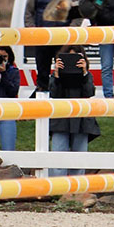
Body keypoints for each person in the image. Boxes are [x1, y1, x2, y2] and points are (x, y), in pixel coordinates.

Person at [47, 46, 100, 176]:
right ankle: (57, 191)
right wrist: (57, 74)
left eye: (76, 57)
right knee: (58, 156)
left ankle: (77, 190)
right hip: (60, 119)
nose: (73, 61)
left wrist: (84, 72)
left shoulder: (87, 75)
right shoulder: (55, 76)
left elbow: (89, 92)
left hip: (82, 120)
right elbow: (53, 94)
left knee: (79, 158)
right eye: (68, 58)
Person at [23, 0, 79, 93]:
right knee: (42, 74)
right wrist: (32, 30)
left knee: (65, 71)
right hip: (43, 39)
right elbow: (28, 12)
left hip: (64, 39)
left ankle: (64, 100)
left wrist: (73, 28)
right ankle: (42, 103)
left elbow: (78, 11)